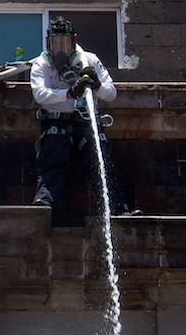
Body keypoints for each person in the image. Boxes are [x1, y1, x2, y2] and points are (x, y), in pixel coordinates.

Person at [31, 16, 134, 225]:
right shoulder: (42, 64)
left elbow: (110, 93)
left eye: (65, 42)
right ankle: (46, 206)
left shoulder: (89, 60)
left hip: (86, 121)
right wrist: (69, 94)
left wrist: (96, 84)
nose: (60, 47)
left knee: (100, 160)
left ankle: (117, 209)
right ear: (48, 41)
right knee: (53, 159)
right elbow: (40, 95)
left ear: (74, 39)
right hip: (56, 121)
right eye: (55, 42)